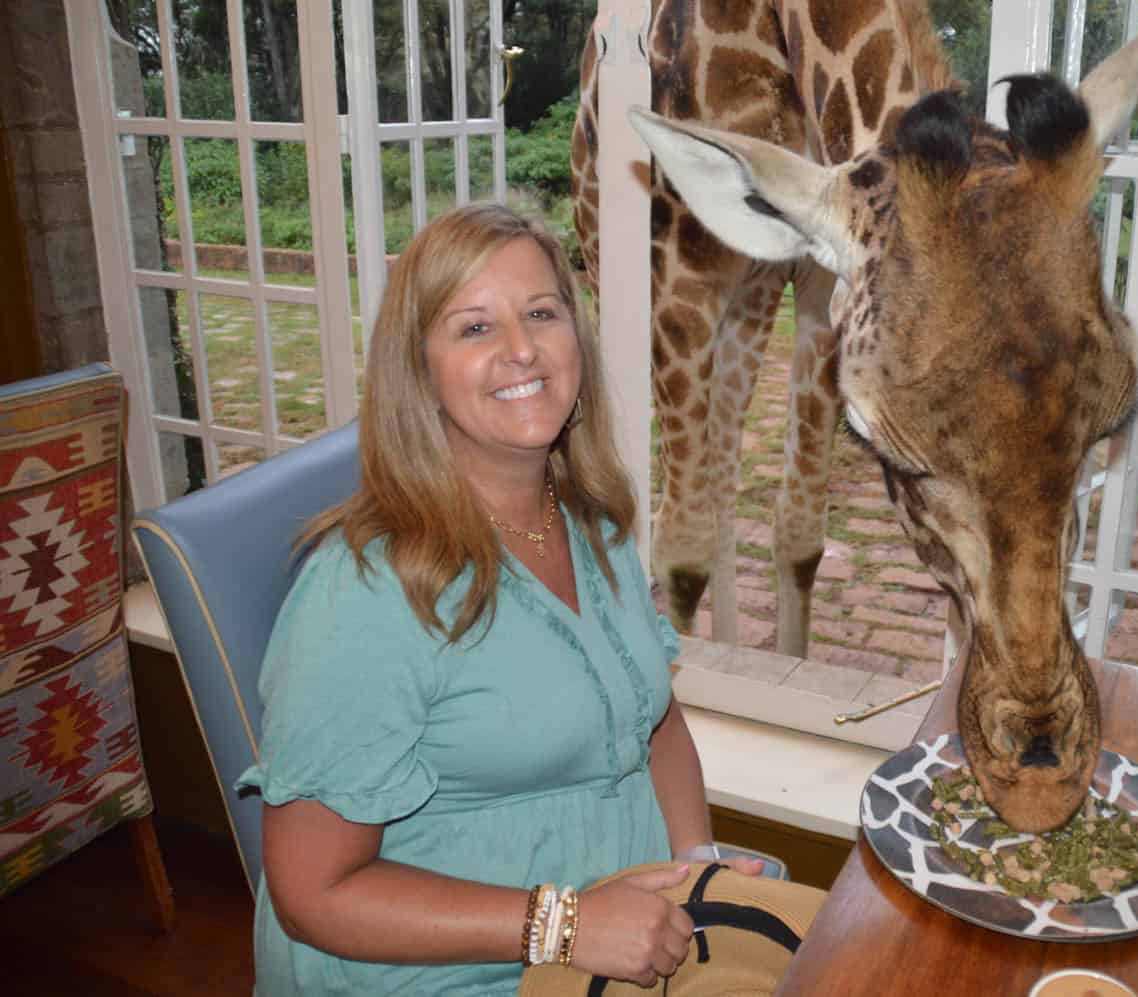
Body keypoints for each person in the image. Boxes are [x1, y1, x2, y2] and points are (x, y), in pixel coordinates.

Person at [236, 202, 764, 995]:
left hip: (621, 934)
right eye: (475, 327)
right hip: (456, 972)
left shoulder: (589, 520)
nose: (523, 349)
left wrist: (696, 870)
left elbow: (654, 721)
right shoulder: (366, 594)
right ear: (419, 372)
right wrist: (567, 923)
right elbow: (313, 893)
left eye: (542, 313)